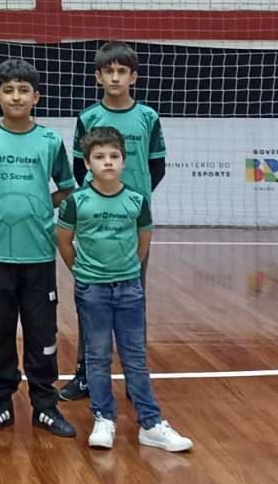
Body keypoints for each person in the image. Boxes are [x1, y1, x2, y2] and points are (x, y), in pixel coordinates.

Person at [0, 59, 77, 439]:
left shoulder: (49, 141)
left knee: (43, 333)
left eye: (23, 90)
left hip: (39, 255)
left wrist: (42, 212)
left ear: (36, 97)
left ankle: (45, 404)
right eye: (8, 90)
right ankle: (1, 403)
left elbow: (66, 187)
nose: (16, 96)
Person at [56, 128, 193, 452]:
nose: (107, 162)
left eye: (114, 156)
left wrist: (129, 270)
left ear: (123, 160)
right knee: (98, 357)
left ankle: (151, 423)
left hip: (129, 288)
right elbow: (63, 239)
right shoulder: (76, 201)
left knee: (135, 357)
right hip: (93, 291)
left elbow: (144, 240)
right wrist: (83, 273)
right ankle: (104, 419)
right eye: (100, 157)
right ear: (87, 164)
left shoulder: (136, 200)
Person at [61, 41, 166, 402]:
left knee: (133, 298)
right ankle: (85, 375)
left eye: (123, 71)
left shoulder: (148, 117)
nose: (116, 77)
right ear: (99, 76)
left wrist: (127, 202)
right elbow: (79, 167)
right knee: (90, 300)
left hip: (129, 226)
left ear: (133, 77)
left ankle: (135, 374)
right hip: (93, 226)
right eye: (110, 71)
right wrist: (100, 199)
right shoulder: (88, 117)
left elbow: (157, 167)